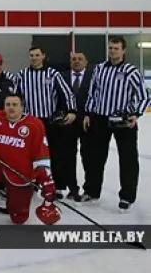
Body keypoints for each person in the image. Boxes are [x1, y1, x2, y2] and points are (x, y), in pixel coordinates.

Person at [82, 36, 150, 211]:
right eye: (111, 48)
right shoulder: (99, 69)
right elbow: (93, 93)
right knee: (95, 157)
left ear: (123, 50)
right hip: (100, 118)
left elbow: (144, 95)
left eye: (116, 48)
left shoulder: (130, 71)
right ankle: (91, 191)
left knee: (128, 159)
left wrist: (135, 114)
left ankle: (127, 196)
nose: (112, 51)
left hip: (123, 120)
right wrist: (89, 113)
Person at [0, 93, 59, 225]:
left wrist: (46, 182)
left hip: (21, 173)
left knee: (18, 219)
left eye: (15, 105)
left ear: (22, 107)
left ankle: (13, 201)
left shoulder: (35, 125)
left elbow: (41, 156)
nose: (11, 108)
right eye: (8, 105)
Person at [14, 46, 77, 201]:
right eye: (31, 55)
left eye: (37, 55)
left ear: (43, 56)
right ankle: (33, 182)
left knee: (55, 154)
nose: (34, 58)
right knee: (30, 155)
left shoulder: (53, 74)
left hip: (50, 122)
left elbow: (67, 93)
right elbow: (15, 97)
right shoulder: (22, 75)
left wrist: (72, 111)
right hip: (30, 123)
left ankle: (58, 185)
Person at [63, 51, 92, 202]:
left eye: (80, 59)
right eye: (74, 59)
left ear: (86, 62)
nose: (76, 61)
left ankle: (90, 189)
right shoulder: (62, 76)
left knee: (89, 157)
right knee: (68, 156)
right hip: (68, 123)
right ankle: (72, 188)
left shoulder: (94, 77)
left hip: (88, 123)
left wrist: (89, 114)